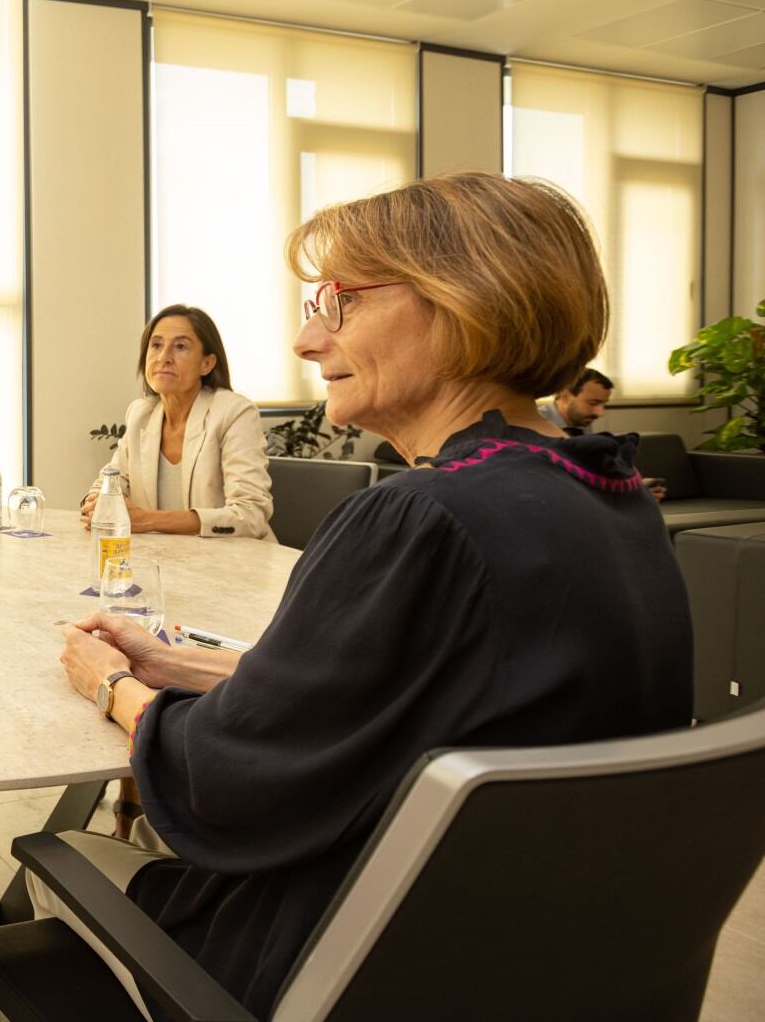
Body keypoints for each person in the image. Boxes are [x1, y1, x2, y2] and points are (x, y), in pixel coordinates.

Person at [46, 173, 688, 1020]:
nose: (309, 341)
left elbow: (224, 780)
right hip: (519, 967)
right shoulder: (607, 494)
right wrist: (168, 659)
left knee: (52, 867)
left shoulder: (420, 519)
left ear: (464, 303)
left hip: (344, 964)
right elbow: (387, 693)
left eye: (337, 302)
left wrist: (111, 684)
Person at [78, 305, 273, 540]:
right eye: (156, 345)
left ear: (207, 364)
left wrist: (146, 519)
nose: (164, 358)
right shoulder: (141, 414)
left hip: (236, 563)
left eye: (180, 346)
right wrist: (97, 502)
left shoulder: (234, 412)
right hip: (167, 560)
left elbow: (250, 515)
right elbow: (110, 481)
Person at [537, 364, 613, 434]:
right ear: (565, 396)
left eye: (603, 404)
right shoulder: (536, 423)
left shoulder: (580, 419)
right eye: (593, 403)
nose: (600, 413)